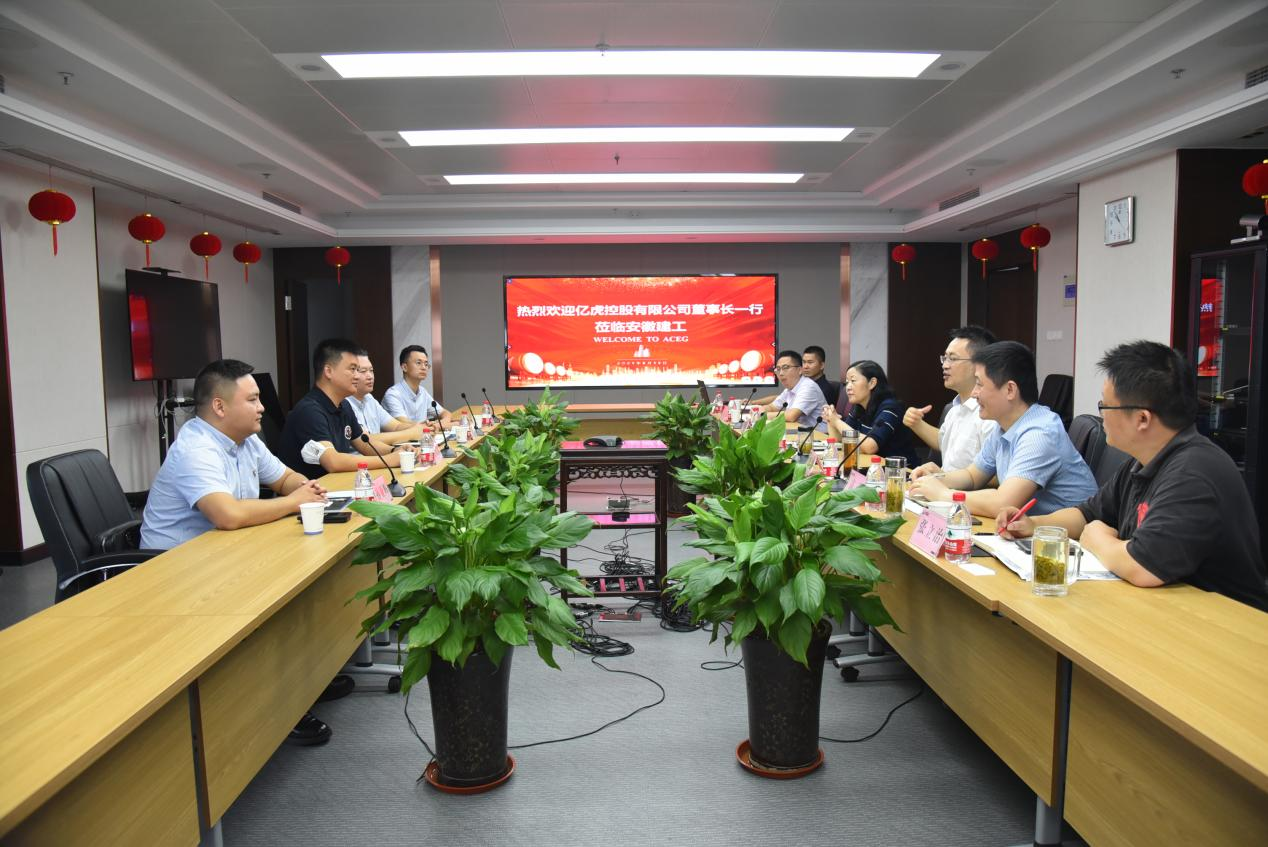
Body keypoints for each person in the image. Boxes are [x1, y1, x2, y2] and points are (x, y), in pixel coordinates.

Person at [140, 358, 334, 745]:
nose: (262, 408)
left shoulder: (245, 440)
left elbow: (282, 477)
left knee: (304, 575)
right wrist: (293, 502)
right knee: (277, 594)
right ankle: (279, 708)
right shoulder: (196, 448)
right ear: (219, 406)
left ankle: (308, 681)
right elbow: (226, 515)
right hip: (175, 573)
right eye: (253, 399)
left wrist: (303, 487)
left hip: (223, 557)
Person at [997, 341, 1268, 611]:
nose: (1101, 416)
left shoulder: (1194, 473)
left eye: (1105, 407)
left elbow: (1142, 567)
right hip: (1164, 609)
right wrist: (1033, 525)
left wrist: (1096, 538)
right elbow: (1087, 514)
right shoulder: (1142, 462)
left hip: (1222, 622)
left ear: (1142, 419)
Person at [910, 341, 1097, 517]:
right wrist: (937, 478)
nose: (974, 393)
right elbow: (972, 476)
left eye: (979, 384)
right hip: (1025, 529)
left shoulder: (1040, 433)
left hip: (1065, 536)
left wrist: (943, 494)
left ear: (1010, 390)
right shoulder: (1004, 427)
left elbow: (1003, 503)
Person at [278, 338, 417, 479]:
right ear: (328, 371)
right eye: (352, 369)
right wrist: (389, 460)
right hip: (312, 488)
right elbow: (333, 462)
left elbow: (365, 444)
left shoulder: (344, 405)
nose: (357, 376)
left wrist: (395, 450)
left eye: (357, 370)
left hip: (337, 483)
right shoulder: (309, 411)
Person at [905, 326, 999, 473]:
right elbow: (944, 443)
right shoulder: (954, 409)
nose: (945, 365)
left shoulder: (990, 415)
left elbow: (998, 474)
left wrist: (944, 476)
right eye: (944, 358)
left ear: (979, 364)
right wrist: (917, 423)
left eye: (953, 359)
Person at [823, 360, 919, 466]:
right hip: (873, 466)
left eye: (853, 381)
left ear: (872, 383)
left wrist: (837, 422)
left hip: (900, 471)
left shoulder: (890, 408)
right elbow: (841, 440)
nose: (848, 387)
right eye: (847, 382)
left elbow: (870, 446)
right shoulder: (859, 406)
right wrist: (830, 420)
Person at [346, 352, 426, 446]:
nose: (370, 376)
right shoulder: (344, 403)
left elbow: (396, 426)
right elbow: (366, 439)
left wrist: (421, 427)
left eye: (371, 370)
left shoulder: (369, 399)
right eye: (363, 371)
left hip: (380, 453)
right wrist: (410, 434)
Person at [382, 345, 454, 428]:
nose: (424, 367)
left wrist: (440, 424)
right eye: (418, 363)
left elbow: (446, 413)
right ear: (404, 367)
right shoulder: (393, 395)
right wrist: (430, 426)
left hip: (424, 434)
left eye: (426, 364)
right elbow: (404, 423)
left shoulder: (423, 392)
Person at [763, 349, 826, 428]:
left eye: (785, 368)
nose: (781, 373)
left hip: (818, 434)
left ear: (800, 370)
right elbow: (772, 407)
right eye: (778, 369)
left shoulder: (808, 387)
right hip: (799, 431)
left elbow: (791, 416)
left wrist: (762, 416)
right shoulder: (789, 389)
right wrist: (759, 410)